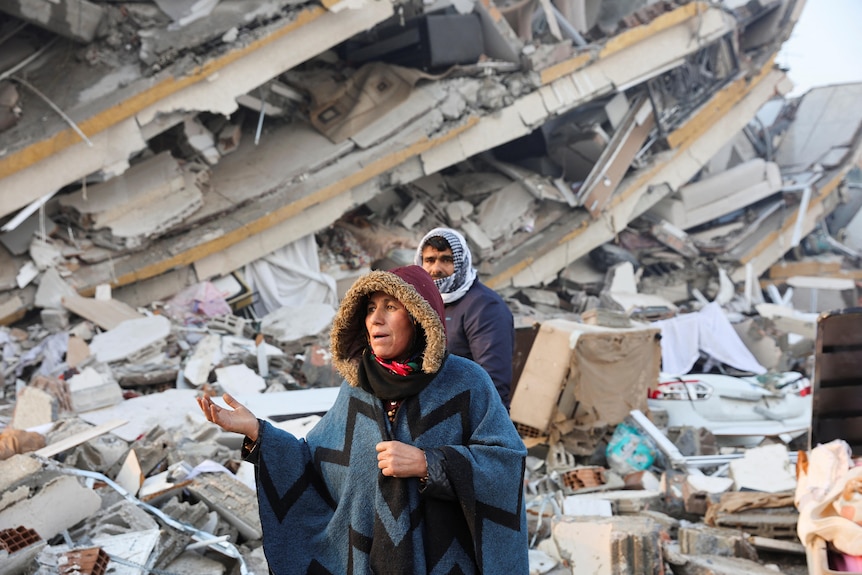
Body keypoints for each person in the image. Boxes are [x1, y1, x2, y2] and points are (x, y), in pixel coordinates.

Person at [198, 265, 528, 574]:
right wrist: (258, 432)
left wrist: (429, 464)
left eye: (390, 307)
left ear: (418, 316)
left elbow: (506, 464)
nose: (376, 320)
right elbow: (314, 461)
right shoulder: (358, 388)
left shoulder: (465, 382)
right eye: (370, 309)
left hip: (445, 563)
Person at [415, 227, 516, 408]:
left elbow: (493, 383)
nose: (436, 269)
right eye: (429, 260)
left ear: (462, 262)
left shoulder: (484, 307)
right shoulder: (424, 303)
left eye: (446, 260)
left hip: (467, 418)